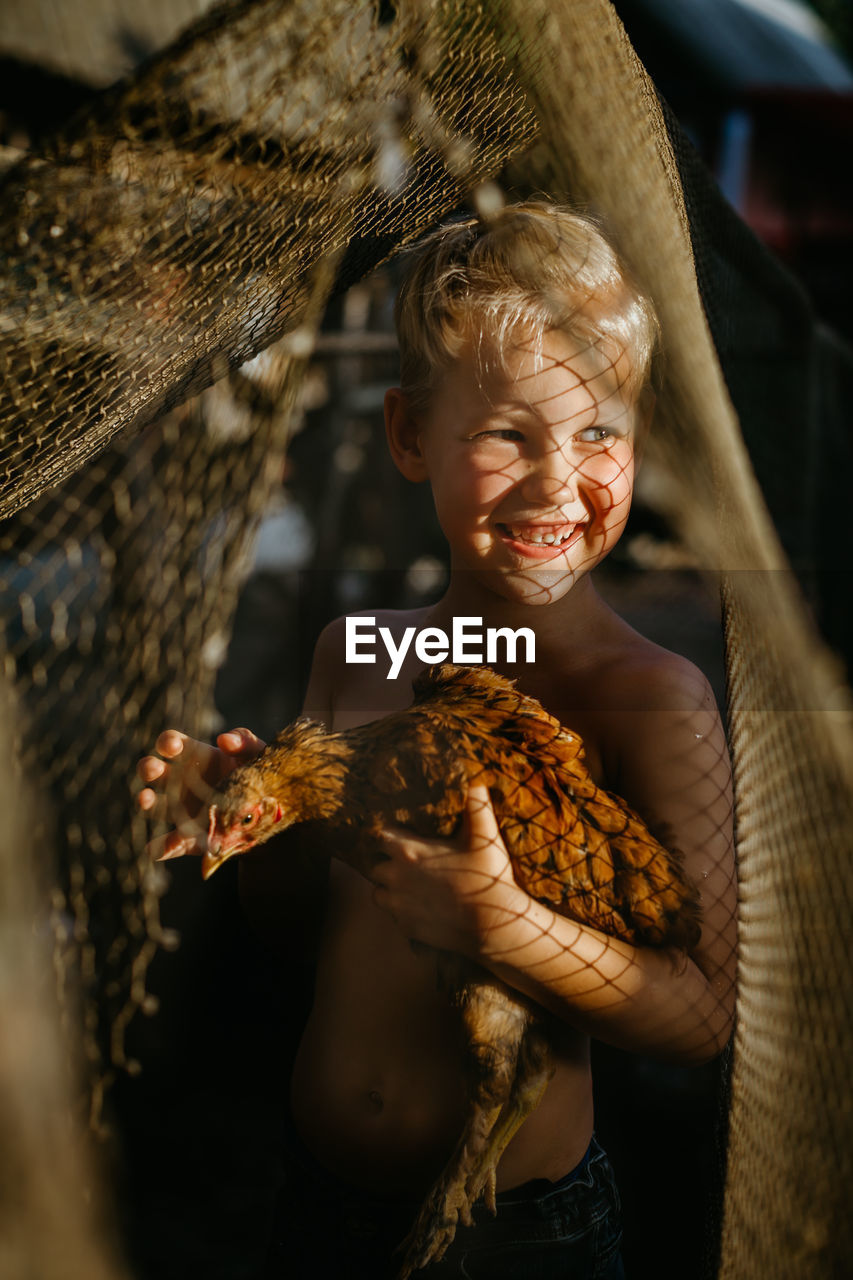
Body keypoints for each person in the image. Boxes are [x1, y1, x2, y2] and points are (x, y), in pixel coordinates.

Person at [137, 202, 737, 1278]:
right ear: (410, 435)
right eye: (507, 432)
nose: (557, 480)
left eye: (598, 430)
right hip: (320, 1198)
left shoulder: (650, 694)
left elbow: (699, 1013)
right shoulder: (355, 653)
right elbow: (303, 932)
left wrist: (507, 930)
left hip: (518, 1231)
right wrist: (243, 823)